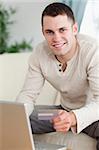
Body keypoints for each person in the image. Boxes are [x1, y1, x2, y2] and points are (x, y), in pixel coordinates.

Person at [16, 2, 99, 149]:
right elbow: (28, 95)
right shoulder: (39, 54)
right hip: (60, 114)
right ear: (43, 32)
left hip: (93, 117)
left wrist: (73, 117)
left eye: (62, 30)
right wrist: (17, 115)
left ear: (74, 29)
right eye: (50, 32)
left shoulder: (93, 51)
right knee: (18, 118)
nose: (56, 38)